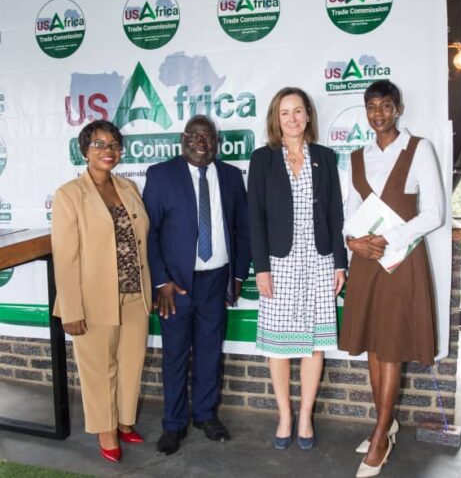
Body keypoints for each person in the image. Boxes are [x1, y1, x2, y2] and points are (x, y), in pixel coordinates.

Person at [339, 80, 444, 478]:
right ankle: (384, 425)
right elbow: (349, 214)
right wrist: (352, 242)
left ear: (398, 108)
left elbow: (434, 213)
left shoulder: (418, 149)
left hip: (401, 261)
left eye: (385, 105)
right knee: (372, 345)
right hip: (367, 262)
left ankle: (380, 438)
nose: (378, 113)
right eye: (371, 106)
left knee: (391, 348)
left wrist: (388, 239)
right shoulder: (357, 157)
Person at [143, 115, 251, 456]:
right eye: (194, 136)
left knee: (209, 352)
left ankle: (206, 415)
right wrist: (162, 281)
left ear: (216, 142)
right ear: (183, 139)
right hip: (175, 287)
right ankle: (173, 424)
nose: (201, 143)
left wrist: (237, 276)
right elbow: (150, 233)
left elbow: (244, 229)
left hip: (216, 281)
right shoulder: (161, 175)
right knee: (175, 355)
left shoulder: (231, 176)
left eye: (208, 137)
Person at [247, 87, 347, 450]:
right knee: (279, 346)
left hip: (319, 261)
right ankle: (284, 416)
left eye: (298, 111)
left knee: (314, 345)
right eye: (285, 112)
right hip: (279, 263)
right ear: (276, 118)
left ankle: (305, 416)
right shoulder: (262, 159)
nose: (292, 118)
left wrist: (339, 263)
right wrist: (261, 268)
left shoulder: (324, 157)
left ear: (308, 115)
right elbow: (255, 217)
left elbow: (335, 213)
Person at [51, 120, 152, 462]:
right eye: (99, 144)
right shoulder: (69, 194)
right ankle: (106, 431)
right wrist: (71, 309)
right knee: (99, 369)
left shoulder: (128, 187)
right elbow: (66, 258)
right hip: (93, 300)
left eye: (114, 145)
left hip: (135, 294)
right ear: (84, 151)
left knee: (131, 364)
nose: (107, 151)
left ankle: (124, 421)